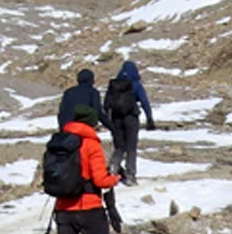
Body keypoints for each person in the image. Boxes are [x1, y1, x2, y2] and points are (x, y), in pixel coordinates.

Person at [51, 104, 124, 234]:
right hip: (88, 207)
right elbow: (100, 181)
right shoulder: (92, 145)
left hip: (62, 208)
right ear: (92, 123)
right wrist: (115, 179)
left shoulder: (59, 144)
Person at [104, 62, 155, 186]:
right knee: (131, 148)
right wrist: (149, 118)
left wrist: (109, 119)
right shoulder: (135, 84)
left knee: (119, 146)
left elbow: (106, 104)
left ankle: (113, 169)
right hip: (131, 118)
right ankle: (130, 175)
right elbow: (144, 102)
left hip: (116, 118)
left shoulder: (114, 84)